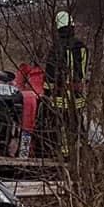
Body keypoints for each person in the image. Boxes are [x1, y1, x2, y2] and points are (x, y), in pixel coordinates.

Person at [40, 11, 89, 155]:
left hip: (61, 94)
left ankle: (65, 153)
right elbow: (84, 70)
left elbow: (50, 74)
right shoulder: (82, 47)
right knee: (77, 122)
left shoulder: (56, 48)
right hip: (78, 94)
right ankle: (81, 149)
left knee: (61, 124)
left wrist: (47, 92)